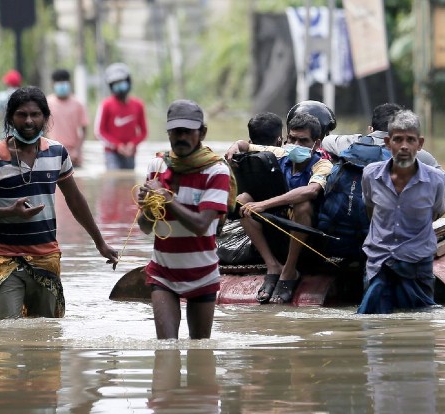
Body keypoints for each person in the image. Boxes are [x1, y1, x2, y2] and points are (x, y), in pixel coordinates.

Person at [0, 86, 119, 321]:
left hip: (46, 258)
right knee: (5, 341)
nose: (29, 121)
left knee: (47, 340)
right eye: (22, 114)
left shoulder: (57, 153)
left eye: (35, 114)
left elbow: (75, 199)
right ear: (10, 118)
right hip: (6, 258)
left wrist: (100, 243)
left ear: (45, 118)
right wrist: (9, 211)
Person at [137, 99, 235, 339]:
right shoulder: (157, 166)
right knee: (166, 348)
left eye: (188, 132)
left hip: (202, 273)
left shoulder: (217, 171)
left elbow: (201, 225)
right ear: (169, 132)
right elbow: (145, 227)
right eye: (176, 131)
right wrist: (147, 205)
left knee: (200, 349)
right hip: (163, 272)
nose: (181, 137)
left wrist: (166, 198)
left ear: (202, 133)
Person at [225, 112, 333, 304]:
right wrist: (234, 149)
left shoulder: (322, 164)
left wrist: (264, 204)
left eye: (303, 141)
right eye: (292, 139)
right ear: (285, 138)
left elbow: (311, 191)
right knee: (242, 199)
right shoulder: (280, 152)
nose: (296, 145)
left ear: (316, 144)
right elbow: (244, 145)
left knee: (303, 205)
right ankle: (272, 265)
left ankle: (289, 270)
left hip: (306, 231)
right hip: (278, 225)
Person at [356, 110, 445, 314]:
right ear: (388, 143)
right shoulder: (371, 175)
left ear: (420, 144)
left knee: (420, 327)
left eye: (410, 140)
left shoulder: (435, 180)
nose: (404, 146)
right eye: (398, 139)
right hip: (378, 261)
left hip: (416, 263)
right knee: (372, 325)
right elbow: (371, 210)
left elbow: (436, 213)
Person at [322, 103, 445, 200]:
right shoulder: (417, 154)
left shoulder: (351, 143)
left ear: (370, 130)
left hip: (349, 219)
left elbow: (324, 141)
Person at [94, 62, 147, 170]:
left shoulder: (138, 105)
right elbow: (99, 132)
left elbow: (144, 132)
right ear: (111, 86)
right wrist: (118, 146)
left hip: (131, 153)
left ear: (128, 82)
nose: (119, 87)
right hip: (111, 154)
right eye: (115, 84)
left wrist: (132, 144)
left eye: (121, 83)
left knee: (130, 184)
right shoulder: (106, 105)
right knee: (114, 183)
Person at [46, 69, 89, 167]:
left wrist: (77, 151)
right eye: (58, 82)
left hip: (74, 156)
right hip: (53, 153)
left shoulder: (78, 104)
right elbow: (43, 129)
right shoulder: (47, 103)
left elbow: (84, 129)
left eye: (64, 81)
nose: (61, 84)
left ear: (69, 83)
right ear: (53, 84)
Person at [0, 69, 22, 137]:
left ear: (7, 83)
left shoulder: (1, 96)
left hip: (5, 136)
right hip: (23, 136)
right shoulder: (24, 95)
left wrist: (3, 115)